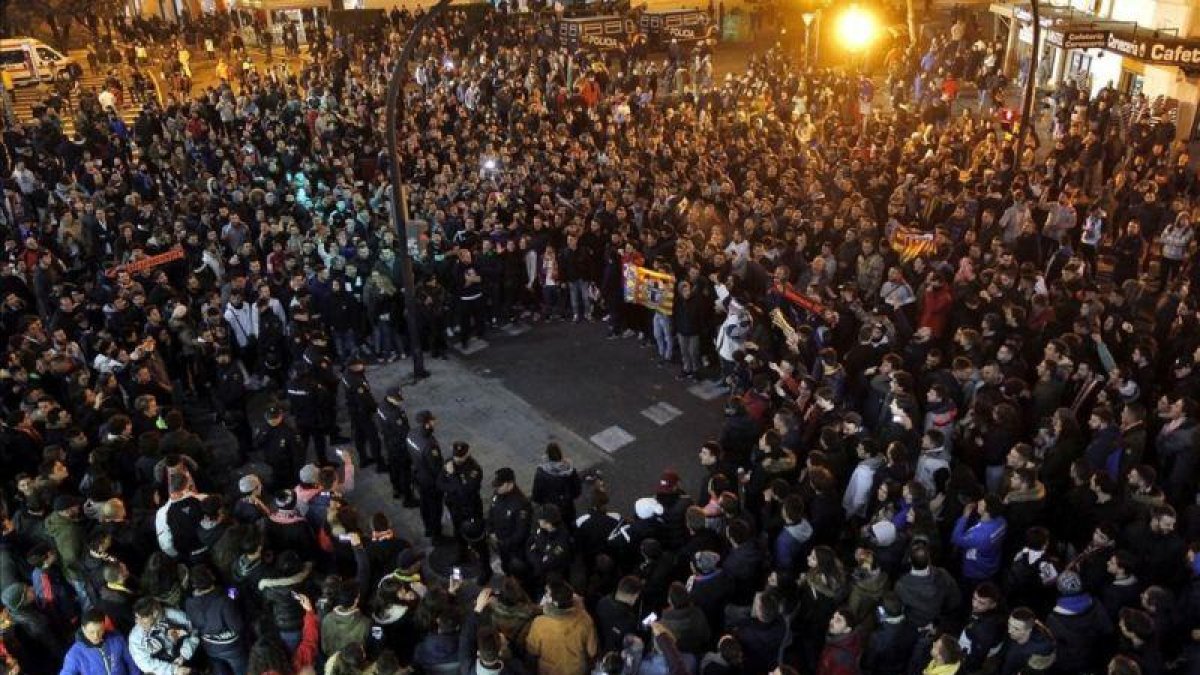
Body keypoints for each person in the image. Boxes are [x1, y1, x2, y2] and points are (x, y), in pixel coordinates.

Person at [61, 608, 140, 675]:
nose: (96, 636)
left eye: (100, 630)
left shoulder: (117, 639)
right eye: (91, 632)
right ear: (83, 629)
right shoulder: (75, 653)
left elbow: (131, 662)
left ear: (104, 626)